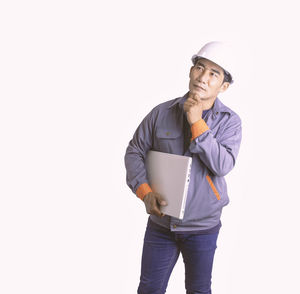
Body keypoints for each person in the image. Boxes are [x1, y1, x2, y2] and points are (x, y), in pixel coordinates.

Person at [124, 41, 242, 294]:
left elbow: (223, 165)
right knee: (149, 289)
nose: (203, 77)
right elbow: (135, 151)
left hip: (203, 228)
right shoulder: (160, 113)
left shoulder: (230, 123)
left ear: (224, 86)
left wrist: (196, 122)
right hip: (161, 224)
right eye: (200, 67)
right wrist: (145, 191)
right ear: (190, 71)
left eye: (214, 74)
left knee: (199, 291)